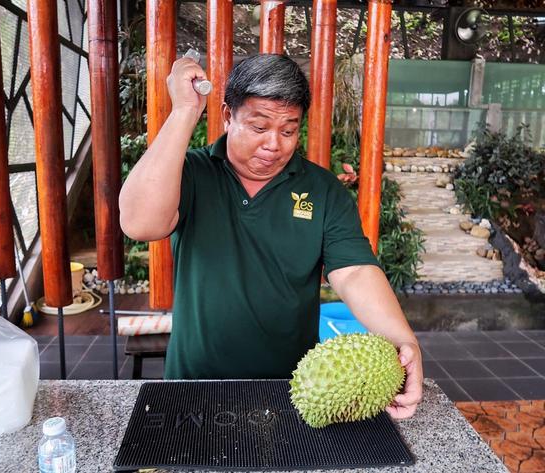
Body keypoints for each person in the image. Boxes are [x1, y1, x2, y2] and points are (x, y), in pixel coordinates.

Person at [119, 54, 423, 419]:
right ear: (228, 116)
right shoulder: (190, 173)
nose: (274, 145)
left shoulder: (322, 189)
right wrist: (184, 110)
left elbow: (355, 271)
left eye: (289, 130)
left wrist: (404, 341)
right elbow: (139, 223)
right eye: (259, 127)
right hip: (194, 386)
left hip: (295, 391)